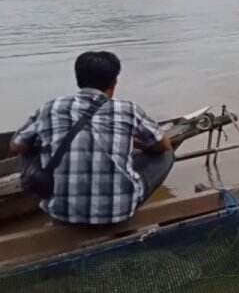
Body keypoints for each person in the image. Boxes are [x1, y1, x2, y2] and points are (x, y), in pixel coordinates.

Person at [9, 51, 173, 225]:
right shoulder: (129, 109)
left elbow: (15, 146)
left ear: (78, 79)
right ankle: (125, 197)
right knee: (166, 154)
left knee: (28, 145)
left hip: (61, 214)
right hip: (118, 213)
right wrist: (136, 143)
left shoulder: (50, 107)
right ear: (114, 82)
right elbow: (164, 145)